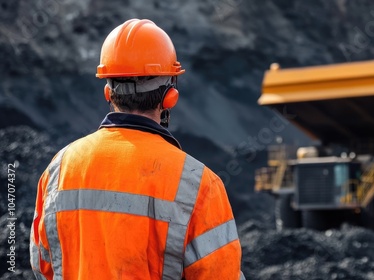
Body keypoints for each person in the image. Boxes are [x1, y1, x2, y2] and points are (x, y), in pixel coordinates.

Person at [29, 19, 244, 280]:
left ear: (108, 92)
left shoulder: (59, 169)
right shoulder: (200, 184)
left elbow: (43, 266)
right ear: (170, 96)